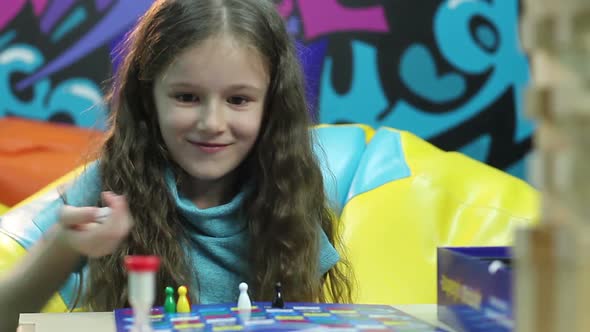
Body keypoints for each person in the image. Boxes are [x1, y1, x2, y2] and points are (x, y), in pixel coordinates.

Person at [0, 0, 353, 329]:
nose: (212, 122)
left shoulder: (287, 192)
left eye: (238, 99)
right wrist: (63, 248)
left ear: (270, 105)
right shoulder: (112, 187)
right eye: (187, 97)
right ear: (149, 98)